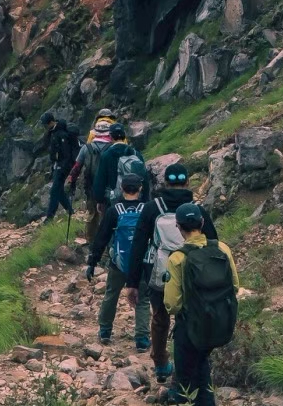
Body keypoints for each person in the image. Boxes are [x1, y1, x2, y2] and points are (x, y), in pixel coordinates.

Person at [134, 161, 215, 377]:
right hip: (192, 273)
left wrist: (132, 283)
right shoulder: (198, 210)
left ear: (164, 183)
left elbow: (139, 244)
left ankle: (161, 364)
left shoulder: (153, 208)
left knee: (160, 317)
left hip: (160, 272)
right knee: (187, 319)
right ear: (188, 182)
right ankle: (188, 367)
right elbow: (212, 243)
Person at [162, 203, 236, 406]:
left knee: (185, 373)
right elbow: (234, 285)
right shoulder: (222, 248)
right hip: (218, 321)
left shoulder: (177, 259)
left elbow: (171, 304)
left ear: (179, 227)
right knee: (203, 363)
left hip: (190, 324)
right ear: (202, 224)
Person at [93, 158, 150, 344]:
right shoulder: (146, 210)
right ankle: (142, 337)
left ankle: (105, 331)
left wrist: (92, 261)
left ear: (123, 188)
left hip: (118, 261)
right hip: (141, 261)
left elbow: (101, 237)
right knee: (142, 299)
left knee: (112, 294)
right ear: (140, 188)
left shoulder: (114, 210)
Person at [83, 122, 136, 279]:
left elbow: (100, 180)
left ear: (111, 137)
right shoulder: (133, 152)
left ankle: (114, 258)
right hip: (135, 197)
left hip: (113, 198)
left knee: (111, 228)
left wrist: (99, 199)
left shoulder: (107, 155)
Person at [68, 114, 116, 271]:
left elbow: (77, 167)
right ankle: (107, 248)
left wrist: (71, 180)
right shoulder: (114, 148)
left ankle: (91, 242)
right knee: (107, 216)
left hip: (90, 187)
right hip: (109, 189)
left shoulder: (86, 148)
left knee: (91, 214)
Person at [38, 112, 78, 224]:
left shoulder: (61, 134)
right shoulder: (53, 132)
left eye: (45, 124)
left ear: (50, 122)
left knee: (54, 190)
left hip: (63, 166)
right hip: (57, 164)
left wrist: (63, 167)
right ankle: (70, 210)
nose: (45, 127)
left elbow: (66, 154)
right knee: (59, 190)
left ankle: (50, 217)